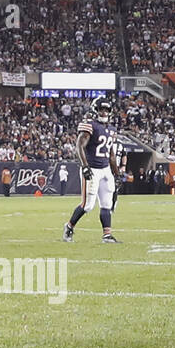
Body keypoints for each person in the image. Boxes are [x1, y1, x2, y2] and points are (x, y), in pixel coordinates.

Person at [61, 97, 121, 244]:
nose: (104, 112)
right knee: (87, 205)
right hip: (93, 169)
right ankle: (69, 226)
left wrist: (117, 174)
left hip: (106, 169)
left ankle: (107, 235)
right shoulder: (90, 125)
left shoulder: (111, 130)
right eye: (102, 109)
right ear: (95, 110)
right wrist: (85, 166)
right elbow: (79, 146)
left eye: (107, 110)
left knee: (107, 204)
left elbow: (111, 154)